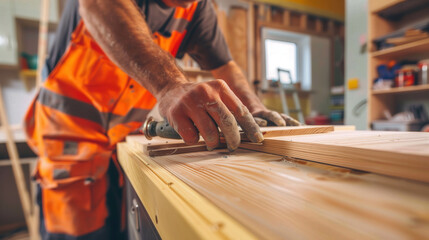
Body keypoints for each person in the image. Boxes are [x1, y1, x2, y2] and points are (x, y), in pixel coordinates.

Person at [24, 0, 300, 239]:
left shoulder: (196, 9)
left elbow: (224, 65)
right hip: (69, 144)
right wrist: (170, 86)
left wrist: (252, 108)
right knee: (78, 232)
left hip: (123, 142)